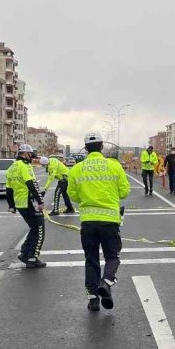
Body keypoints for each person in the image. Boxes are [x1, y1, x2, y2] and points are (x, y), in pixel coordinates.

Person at [68, 133, 131, 312]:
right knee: (112, 257)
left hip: (88, 221)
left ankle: (93, 299)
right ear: (102, 146)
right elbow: (124, 191)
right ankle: (107, 282)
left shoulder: (76, 169)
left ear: (85, 148)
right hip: (110, 221)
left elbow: (73, 196)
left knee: (91, 260)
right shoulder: (114, 165)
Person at [5, 144, 45, 268]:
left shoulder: (11, 167)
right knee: (39, 229)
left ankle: (24, 253)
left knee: (34, 228)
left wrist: (11, 205)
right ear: (25, 154)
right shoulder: (25, 166)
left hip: (20, 203)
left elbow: (9, 189)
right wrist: (40, 201)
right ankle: (32, 257)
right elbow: (32, 184)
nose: (31, 158)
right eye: (31, 155)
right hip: (29, 201)